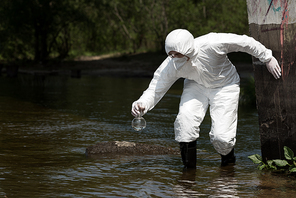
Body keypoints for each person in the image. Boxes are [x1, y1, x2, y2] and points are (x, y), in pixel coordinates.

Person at [131, 29, 281, 169]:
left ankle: (227, 165)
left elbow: (244, 42)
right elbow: (157, 86)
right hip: (196, 85)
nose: (172, 57)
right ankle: (188, 175)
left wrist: (267, 57)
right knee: (185, 123)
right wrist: (143, 103)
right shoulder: (172, 63)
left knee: (221, 137)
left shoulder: (212, 43)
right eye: (170, 54)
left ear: (186, 49)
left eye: (176, 54)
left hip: (225, 85)